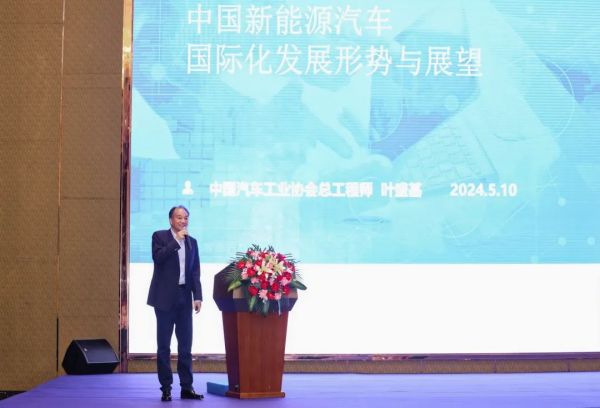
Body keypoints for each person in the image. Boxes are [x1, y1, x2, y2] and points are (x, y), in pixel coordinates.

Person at [147, 205, 203, 401]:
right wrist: (176, 240)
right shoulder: (159, 236)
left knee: (185, 346)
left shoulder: (192, 242)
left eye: (185, 217)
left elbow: (195, 271)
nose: (183, 221)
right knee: (164, 346)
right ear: (171, 220)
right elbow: (158, 258)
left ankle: (187, 387)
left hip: (184, 297)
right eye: (179, 217)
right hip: (164, 298)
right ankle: (166, 388)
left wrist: (197, 296)